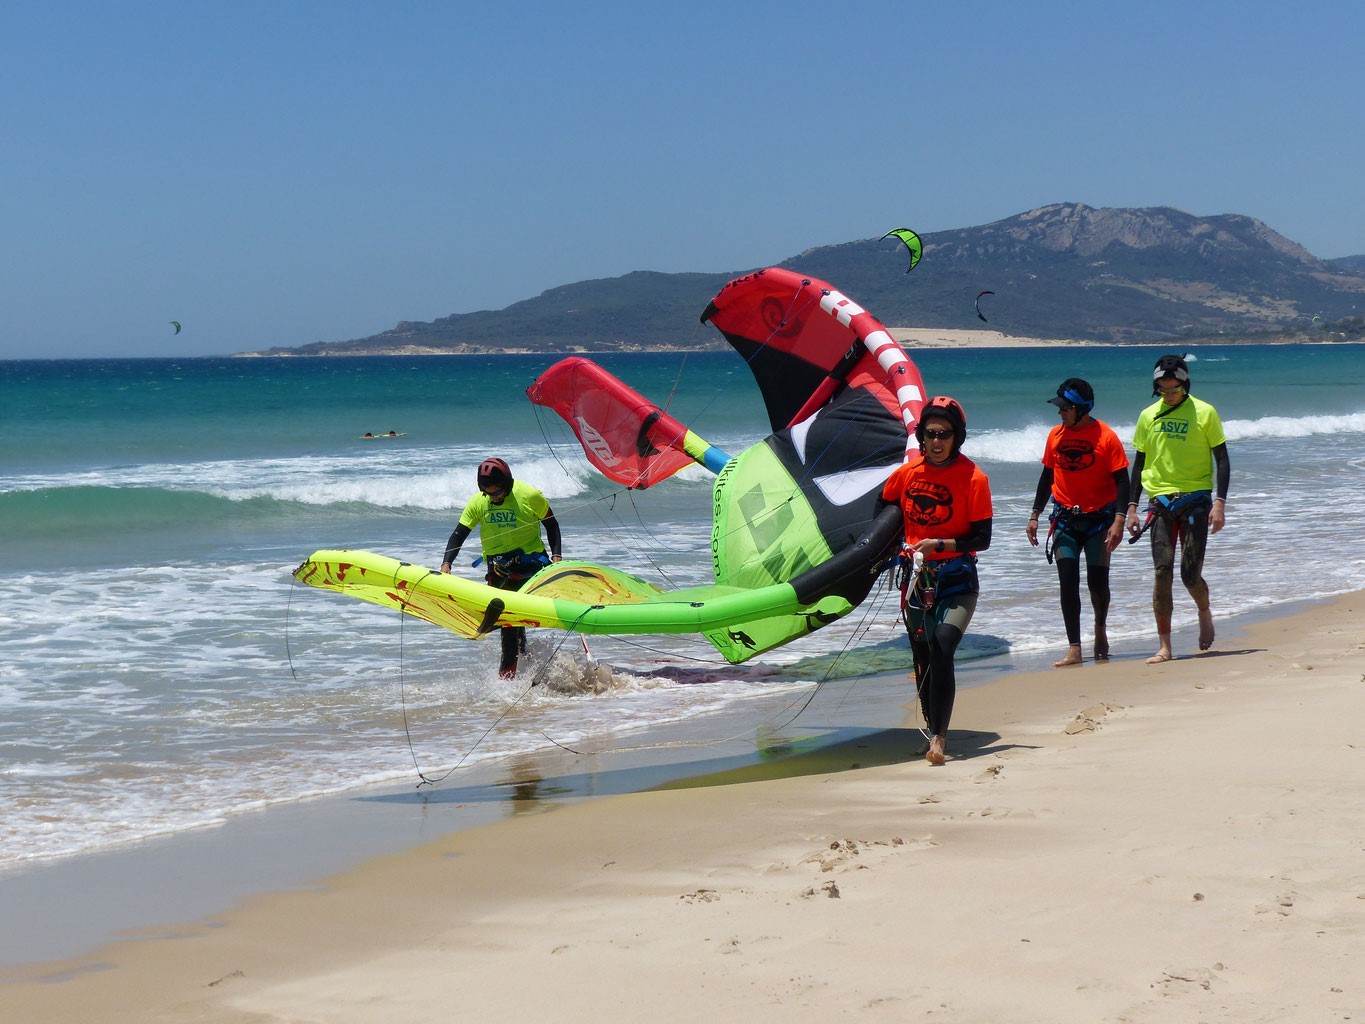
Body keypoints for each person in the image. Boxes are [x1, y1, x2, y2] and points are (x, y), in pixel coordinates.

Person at [879, 396, 992, 766]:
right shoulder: (907, 475)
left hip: (957, 578)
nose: (937, 441)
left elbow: (983, 538)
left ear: (957, 437)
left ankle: (941, 738)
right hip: (916, 581)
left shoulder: (974, 477)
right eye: (930, 434)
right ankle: (931, 730)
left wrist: (940, 543)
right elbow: (883, 509)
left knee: (943, 646)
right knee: (923, 658)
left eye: (945, 434)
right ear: (922, 437)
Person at [1125, 354, 1230, 664]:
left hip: (1197, 499)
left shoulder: (1205, 412)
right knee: (1162, 571)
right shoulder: (1147, 416)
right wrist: (1131, 508)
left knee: (1189, 575)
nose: (1168, 395)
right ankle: (1165, 646)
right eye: (1163, 390)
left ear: (1185, 384)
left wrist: (1220, 503)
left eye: (1174, 389)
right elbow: (1140, 462)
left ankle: (1204, 611)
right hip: (1160, 502)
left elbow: (1222, 459)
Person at [1026, 378, 1130, 667]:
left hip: (1099, 522)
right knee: (1067, 582)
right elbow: (1047, 477)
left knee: (1098, 584)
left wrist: (1119, 520)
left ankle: (1100, 628)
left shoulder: (1106, 437)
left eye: (1065, 408)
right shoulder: (1055, 436)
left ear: (1082, 409)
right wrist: (1034, 515)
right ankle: (1074, 647)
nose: (1060, 413)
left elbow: (1123, 481)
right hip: (1065, 521)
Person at [440, 457, 563, 679]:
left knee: (510, 623)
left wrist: (556, 556)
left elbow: (551, 524)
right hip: (498, 569)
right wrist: (447, 564)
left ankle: (507, 685)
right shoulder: (479, 501)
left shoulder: (530, 496)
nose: (494, 497)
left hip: (531, 565)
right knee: (511, 623)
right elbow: (459, 534)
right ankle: (523, 667)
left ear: (507, 484)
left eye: (497, 492)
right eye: (489, 493)